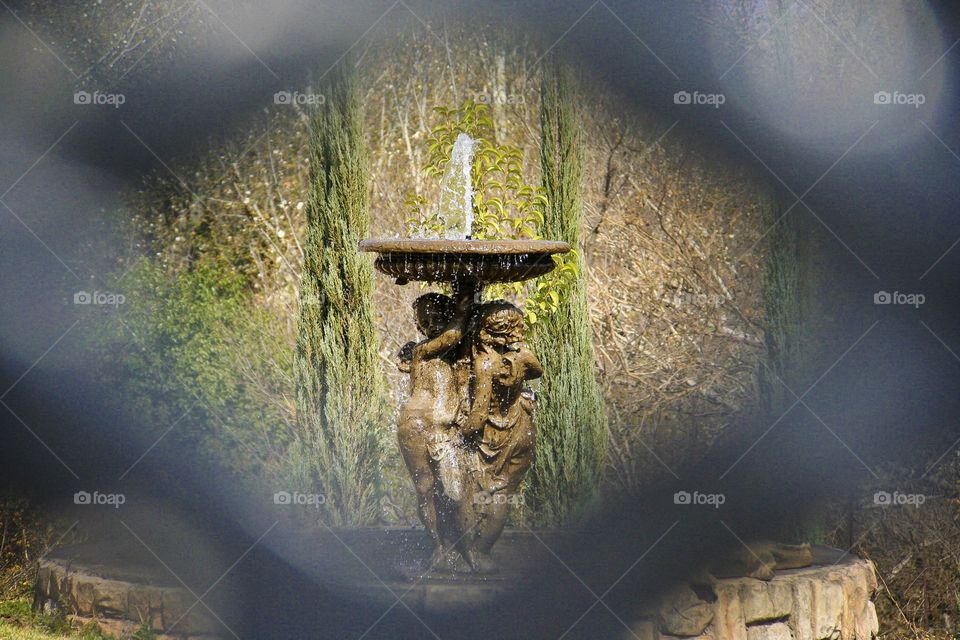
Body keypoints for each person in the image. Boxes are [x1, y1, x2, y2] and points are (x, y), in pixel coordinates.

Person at [456, 301, 543, 573]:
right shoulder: (525, 354)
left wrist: (460, 433)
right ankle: (484, 553)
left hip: (492, 436)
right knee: (503, 494)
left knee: (471, 490)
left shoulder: (485, 363)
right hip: (523, 430)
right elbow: (537, 370)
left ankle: (470, 552)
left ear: (484, 328)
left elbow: (479, 414)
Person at [396, 291, 472, 543]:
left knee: (455, 490)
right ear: (418, 325)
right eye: (425, 322)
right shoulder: (420, 352)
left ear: (448, 316)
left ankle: (460, 544)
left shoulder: (459, 355)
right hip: (416, 426)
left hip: (447, 430)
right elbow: (452, 335)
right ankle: (438, 547)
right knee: (426, 488)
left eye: (438, 318)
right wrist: (466, 297)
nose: (431, 326)